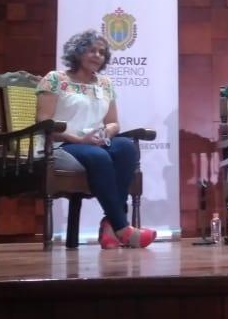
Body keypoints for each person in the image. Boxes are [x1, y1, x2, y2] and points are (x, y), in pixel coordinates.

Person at [36, 29, 156, 249]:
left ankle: (110, 225)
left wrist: (106, 133)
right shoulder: (55, 79)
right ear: (77, 52)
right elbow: (44, 121)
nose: (98, 55)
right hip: (61, 144)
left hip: (95, 143)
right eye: (92, 50)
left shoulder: (105, 83)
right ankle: (122, 227)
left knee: (126, 148)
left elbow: (113, 123)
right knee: (99, 157)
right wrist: (80, 140)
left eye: (102, 52)